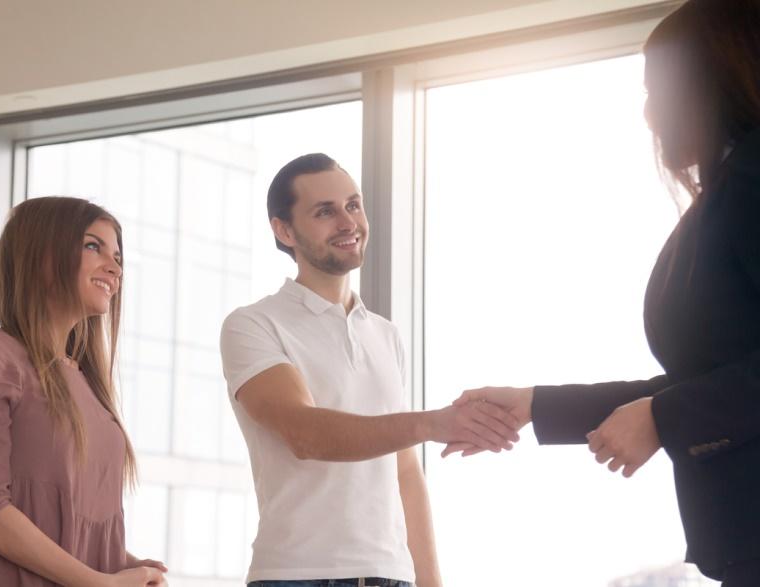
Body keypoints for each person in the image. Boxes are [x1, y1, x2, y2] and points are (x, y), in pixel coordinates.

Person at [447, 1, 760, 584]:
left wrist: (666, 416)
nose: (649, 114)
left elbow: (689, 393)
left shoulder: (750, 178)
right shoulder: (727, 189)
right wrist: (535, 405)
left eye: (655, 89)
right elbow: (713, 373)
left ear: (706, 79)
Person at [219, 153, 519, 587]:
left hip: (391, 575)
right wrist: (436, 423)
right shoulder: (253, 325)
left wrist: (429, 581)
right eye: (325, 211)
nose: (347, 222)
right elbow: (305, 434)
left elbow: (405, 474)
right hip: (297, 576)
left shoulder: (386, 336)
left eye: (353, 205)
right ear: (284, 230)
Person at [0, 197, 167, 586]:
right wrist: (99, 582)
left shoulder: (88, 383)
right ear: (41, 255)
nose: (114, 267)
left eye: (118, 256)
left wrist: (123, 565)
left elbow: (69, 523)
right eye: (93, 246)